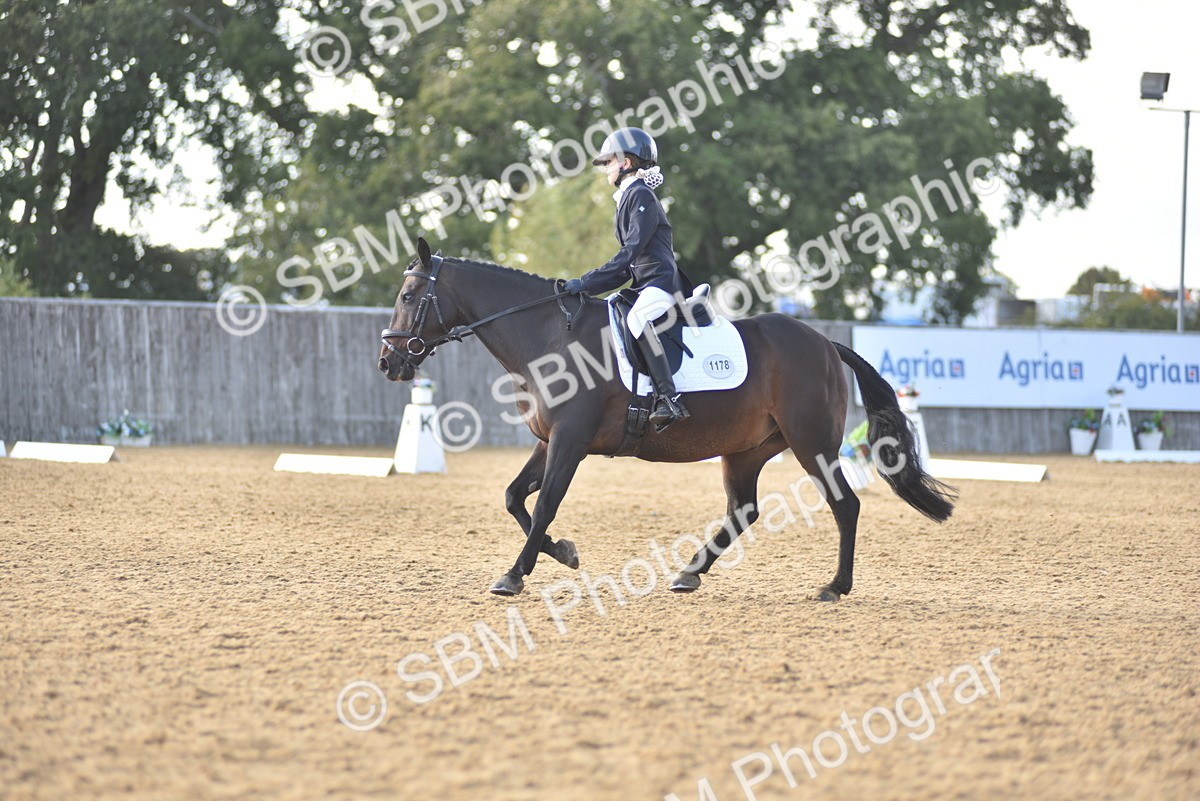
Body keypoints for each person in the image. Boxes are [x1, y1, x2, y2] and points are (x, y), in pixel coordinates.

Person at [563, 127, 690, 432]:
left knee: (637, 319)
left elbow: (630, 251)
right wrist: (586, 289)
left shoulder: (641, 195)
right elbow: (626, 269)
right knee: (608, 313)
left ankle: (668, 398)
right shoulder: (628, 198)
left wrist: (587, 280)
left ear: (626, 162)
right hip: (642, 284)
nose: (605, 168)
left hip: (661, 283)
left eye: (609, 162)